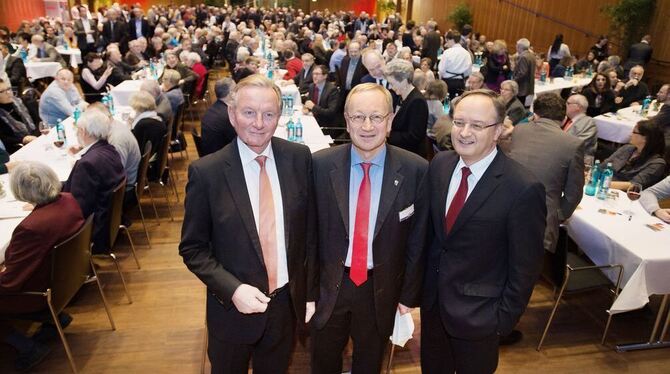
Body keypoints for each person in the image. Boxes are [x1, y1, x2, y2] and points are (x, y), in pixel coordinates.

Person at [179, 74, 315, 374]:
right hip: (230, 312)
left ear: (279, 116)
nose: (258, 123)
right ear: (232, 114)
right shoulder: (207, 173)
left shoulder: (299, 158)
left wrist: (310, 292)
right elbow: (193, 249)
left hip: (284, 308)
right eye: (249, 112)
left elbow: (309, 235)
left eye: (269, 114)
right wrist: (233, 289)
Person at [421, 89, 546, 374]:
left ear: (498, 131)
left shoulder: (522, 188)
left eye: (477, 125)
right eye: (459, 122)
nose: (464, 132)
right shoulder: (440, 165)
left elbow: (525, 267)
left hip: (481, 320)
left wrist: (501, 321)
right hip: (433, 310)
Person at [309, 82, 428, 373]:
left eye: (376, 117)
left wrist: (408, 296)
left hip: (381, 289)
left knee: (369, 364)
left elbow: (418, 240)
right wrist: (308, 291)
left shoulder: (416, 169)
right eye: (358, 117)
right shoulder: (318, 165)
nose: (367, 125)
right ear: (346, 122)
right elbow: (307, 236)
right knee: (323, 362)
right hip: (329, 287)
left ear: (390, 121)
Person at [0, 161, 85, 371]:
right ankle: (52, 320)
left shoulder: (31, 228)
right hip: (65, 282)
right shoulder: (68, 200)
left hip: (39, 293)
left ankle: (27, 347)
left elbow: (10, 283)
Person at [509, 92, 584, 253]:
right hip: (541, 223)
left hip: (505, 211)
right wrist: (557, 214)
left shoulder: (519, 130)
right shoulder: (573, 144)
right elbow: (574, 194)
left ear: (535, 115)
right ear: (564, 120)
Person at [62, 109, 125, 254]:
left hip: (94, 230)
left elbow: (77, 208)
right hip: (109, 222)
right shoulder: (109, 149)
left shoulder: (87, 163)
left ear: (83, 132)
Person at [601, 119, 666, 190]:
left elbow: (634, 184)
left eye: (634, 132)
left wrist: (602, 183)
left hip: (623, 194)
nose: (630, 134)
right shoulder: (627, 148)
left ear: (645, 138)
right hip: (604, 185)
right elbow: (604, 165)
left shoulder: (657, 163)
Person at [385, 59, 429, 157]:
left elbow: (414, 137)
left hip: (412, 156)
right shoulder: (401, 97)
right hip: (401, 153)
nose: (391, 87)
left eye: (392, 83)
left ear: (404, 81)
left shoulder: (417, 101)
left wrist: (389, 134)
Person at [0, 79, 37, 154]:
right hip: (17, 148)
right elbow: (4, 139)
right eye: (2, 91)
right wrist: (23, 139)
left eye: (9, 89)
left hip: (35, 139)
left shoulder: (20, 102)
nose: (8, 93)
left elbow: (37, 120)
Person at [129, 90, 166, 158]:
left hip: (142, 161)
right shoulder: (158, 116)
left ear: (137, 107)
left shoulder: (143, 125)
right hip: (154, 156)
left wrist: (129, 126)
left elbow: (133, 145)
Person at [438, 31, 472, 99]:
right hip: (460, 82)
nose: (446, 42)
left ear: (451, 40)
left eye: (446, 40)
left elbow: (441, 70)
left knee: (446, 102)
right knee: (457, 102)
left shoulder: (447, 52)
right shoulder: (466, 53)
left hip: (447, 82)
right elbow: (468, 71)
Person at [512, 38, 535, 106]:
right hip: (527, 84)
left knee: (519, 104)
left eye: (516, 46)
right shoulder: (531, 55)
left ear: (519, 46)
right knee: (522, 103)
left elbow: (522, 72)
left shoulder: (523, 57)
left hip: (522, 86)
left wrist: (514, 80)